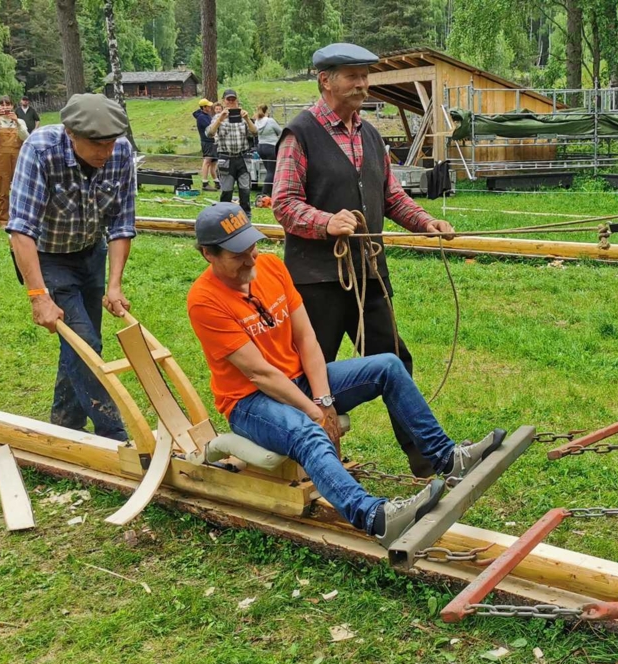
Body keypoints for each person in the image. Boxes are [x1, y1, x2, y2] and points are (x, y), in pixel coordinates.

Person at [185, 203, 504, 545]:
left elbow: (306, 338)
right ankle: (375, 516)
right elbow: (260, 373)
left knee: (388, 366)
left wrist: (322, 398)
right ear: (208, 254)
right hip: (250, 401)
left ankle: (446, 457)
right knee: (309, 434)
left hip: (300, 382)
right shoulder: (204, 301)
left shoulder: (272, 267)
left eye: (252, 248)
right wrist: (314, 411)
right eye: (238, 256)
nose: (251, 260)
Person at [273, 42, 455, 478]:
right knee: (311, 374)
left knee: (395, 357)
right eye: (352, 76)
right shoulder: (300, 133)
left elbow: (390, 195)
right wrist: (324, 222)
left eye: (364, 76)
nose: (362, 85)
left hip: (369, 272)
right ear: (325, 80)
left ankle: (424, 454)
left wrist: (424, 222)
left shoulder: (369, 134)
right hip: (317, 279)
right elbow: (283, 203)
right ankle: (301, 458)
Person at [5, 94, 137, 441]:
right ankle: (114, 434)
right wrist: (38, 295)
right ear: (70, 133)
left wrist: (114, 285)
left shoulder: (120, 153)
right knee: (85, 343)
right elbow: (21, 229)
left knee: (82, 345)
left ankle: (65, 426)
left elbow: (122, 224)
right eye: (97, 144)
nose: (106, 152)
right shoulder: (40, 150)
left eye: (111, 143)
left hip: (89, 252)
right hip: (46, 256)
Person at [207, 88, 258, 217]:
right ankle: (224, 220)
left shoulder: (244, 116)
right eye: (228, 99)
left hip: (243, 159)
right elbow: (209, 133)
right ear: (223, 101)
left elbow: (255, 132)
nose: (230, 102)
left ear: (237, 101)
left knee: (245, 191)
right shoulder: (218, 117)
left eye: (233, 99)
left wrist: (247, 119)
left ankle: (247, 221)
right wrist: (220, 120)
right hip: (226, 159)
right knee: (226, 192)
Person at [0, 96, 30, 224]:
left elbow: (26, 137)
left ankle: (20, 218)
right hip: (1, 158)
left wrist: (18, 122)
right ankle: (3, 220)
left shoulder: (19, 121)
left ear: (12, 106)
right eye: (2, 104)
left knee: (19, 189)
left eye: (7, 104)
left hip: (18, 158)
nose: (5, 107)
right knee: (2, 190)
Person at [253, 104, 281, 199]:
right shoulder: (270, 121)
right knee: (271, 171)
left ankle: (271, 191)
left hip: (261, 147)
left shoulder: (257, 121)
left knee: (268, 171)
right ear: (267, 111)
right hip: (271, 147)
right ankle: (265, 193)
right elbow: (280, 131)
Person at [194, 99, 218, 191]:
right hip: (207, 141)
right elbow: (211, 128)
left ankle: (216, 182)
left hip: (212, 141)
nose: (210, 107)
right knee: (207, 161)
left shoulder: (206, 115)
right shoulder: (202, 117)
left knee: (213, 163)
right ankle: (205, 183)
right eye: (208, 106)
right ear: (204, 108)